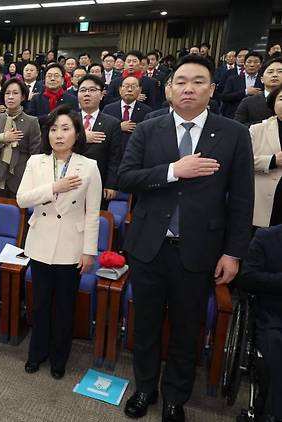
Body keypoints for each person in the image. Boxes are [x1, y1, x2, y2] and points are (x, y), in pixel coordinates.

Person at [118, 55, 254, 422]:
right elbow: (126, 177)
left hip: (199, 251)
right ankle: (144, 388)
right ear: (168, 89)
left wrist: (233, 253)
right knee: (144, 324)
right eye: (181, 81)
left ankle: (176, 397)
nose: (188, 88)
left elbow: (243, 200)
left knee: (186, 327)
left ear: (211, 89)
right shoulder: (149, 127)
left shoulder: (233, 134)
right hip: (148, 246)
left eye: (198, 81)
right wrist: (173, 171)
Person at [17, 105, 101, 379]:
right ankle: (36, 353)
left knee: (64, 306)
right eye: (53, 129)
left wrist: (89, 251)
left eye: (66, 129)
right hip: (40, 241)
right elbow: (22, 199)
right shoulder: (35, 161)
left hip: (72, 245)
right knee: (40, 304)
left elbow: (93, 213)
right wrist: (54, 188)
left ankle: (58, 359)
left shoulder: (89, 166)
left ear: (77, 134)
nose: (59, 135)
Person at [239, 225, 282, 422]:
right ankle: (271, 415)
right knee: (275, 351)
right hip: (272, 317)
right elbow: (247, 278)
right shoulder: (266, 238)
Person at [0, 78, 41, 198]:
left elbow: (35, 154)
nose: (10, 97)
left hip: (20, 176)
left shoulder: (31, 121)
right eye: (7, 93)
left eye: (15, 93)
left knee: (17, 214)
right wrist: (1, 138)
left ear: (23, 97)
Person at [77, 75, 122, 204]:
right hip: (69, 181)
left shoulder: (112, 123)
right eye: (83, 90)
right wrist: (82, 137)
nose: (87, 94)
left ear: (102, 95)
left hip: (97, 182)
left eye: (92, 90)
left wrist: (111, 184)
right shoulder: (68, 120)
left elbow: (115, 157)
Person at [249, 85, 282, 228]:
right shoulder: (257, 130)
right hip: (267, 203)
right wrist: (273, 160)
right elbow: (244, 162)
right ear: (273, 103)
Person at [103, 76, 152, 152]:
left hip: (136, 151)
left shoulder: (147, 111)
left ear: (140, 90)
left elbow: (148, 134)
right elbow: (102, 131)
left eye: (133, 86)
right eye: (126, 86)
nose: (129, 90)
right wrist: (118, 127)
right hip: (112, 152)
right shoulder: (108, 109)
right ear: (120, 90)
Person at [235, 57, 281, 127]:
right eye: (270, 72)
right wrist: (263, 123)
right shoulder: (247, 102)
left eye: (280, 71)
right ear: (262, 79)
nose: (275, 75)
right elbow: (237, 127)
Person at [221, 51, 264, 119]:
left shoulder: (264, 80)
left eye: (256, 62)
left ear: (261, 65)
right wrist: (246, 92)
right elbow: (224, 97)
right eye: (249, 62)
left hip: (256, 116)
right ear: (244, 64)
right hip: (234, 115)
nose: (252, 65)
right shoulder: (233, 79)